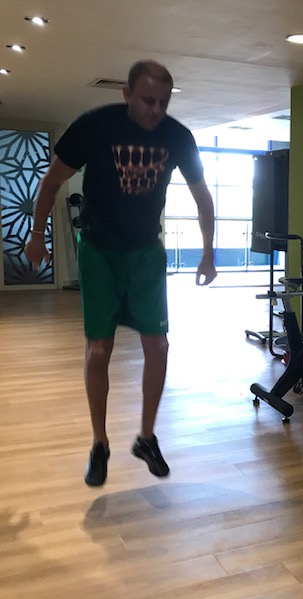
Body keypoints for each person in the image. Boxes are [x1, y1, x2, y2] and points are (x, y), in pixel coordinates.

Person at [25, 60, 217, 487]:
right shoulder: (95, 126)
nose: (155, 110)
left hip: (146, 252)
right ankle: (100, 443)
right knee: (99, 351)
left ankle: (146, 438)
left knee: (159, 347)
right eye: (147, 100)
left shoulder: (177, 136)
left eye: (163, 103)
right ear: (127, 94)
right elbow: (51, 182)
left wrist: (208, 253)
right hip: (99, 252)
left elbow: (203, 198)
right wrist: (37, 235)